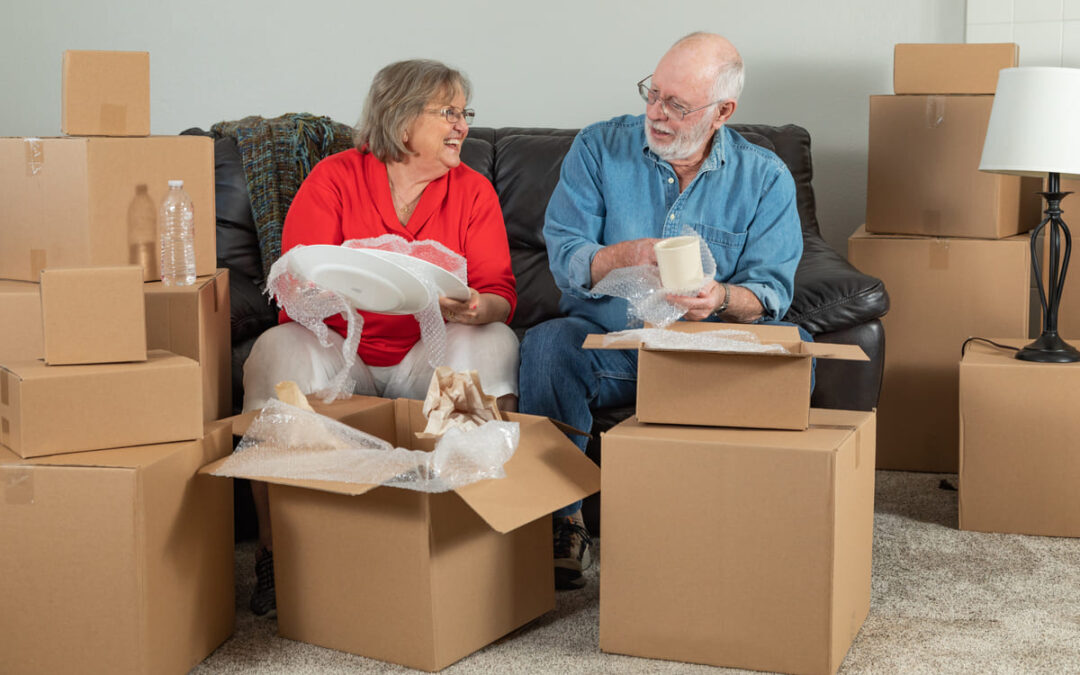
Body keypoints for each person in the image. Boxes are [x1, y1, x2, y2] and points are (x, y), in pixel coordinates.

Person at [518, 32, 805, 590]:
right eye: (653, 93)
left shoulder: (765, 176)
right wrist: (627, 255)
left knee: (799, 354)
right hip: (613, 345)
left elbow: (770, 292)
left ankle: (737, 519)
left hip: (707, 349)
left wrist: (719, 297)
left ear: (723, 111)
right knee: (548, 343)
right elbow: (565, 256)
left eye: (677, 104)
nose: (657, 113)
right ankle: (561, 520)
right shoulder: (599, 147)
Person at [242, 59, 519, 615]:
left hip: (428, 356)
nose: (462, 126)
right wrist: (358, 286)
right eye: (449, 112)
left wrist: (474, 306)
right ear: (400, 118)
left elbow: (501, 294)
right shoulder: (336, 178)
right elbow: (298, 281)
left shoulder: (474, 191)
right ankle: (280, 552)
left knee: (492, 342)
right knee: (275, 350)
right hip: (344, 355)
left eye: (465, 113)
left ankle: (469, 530)